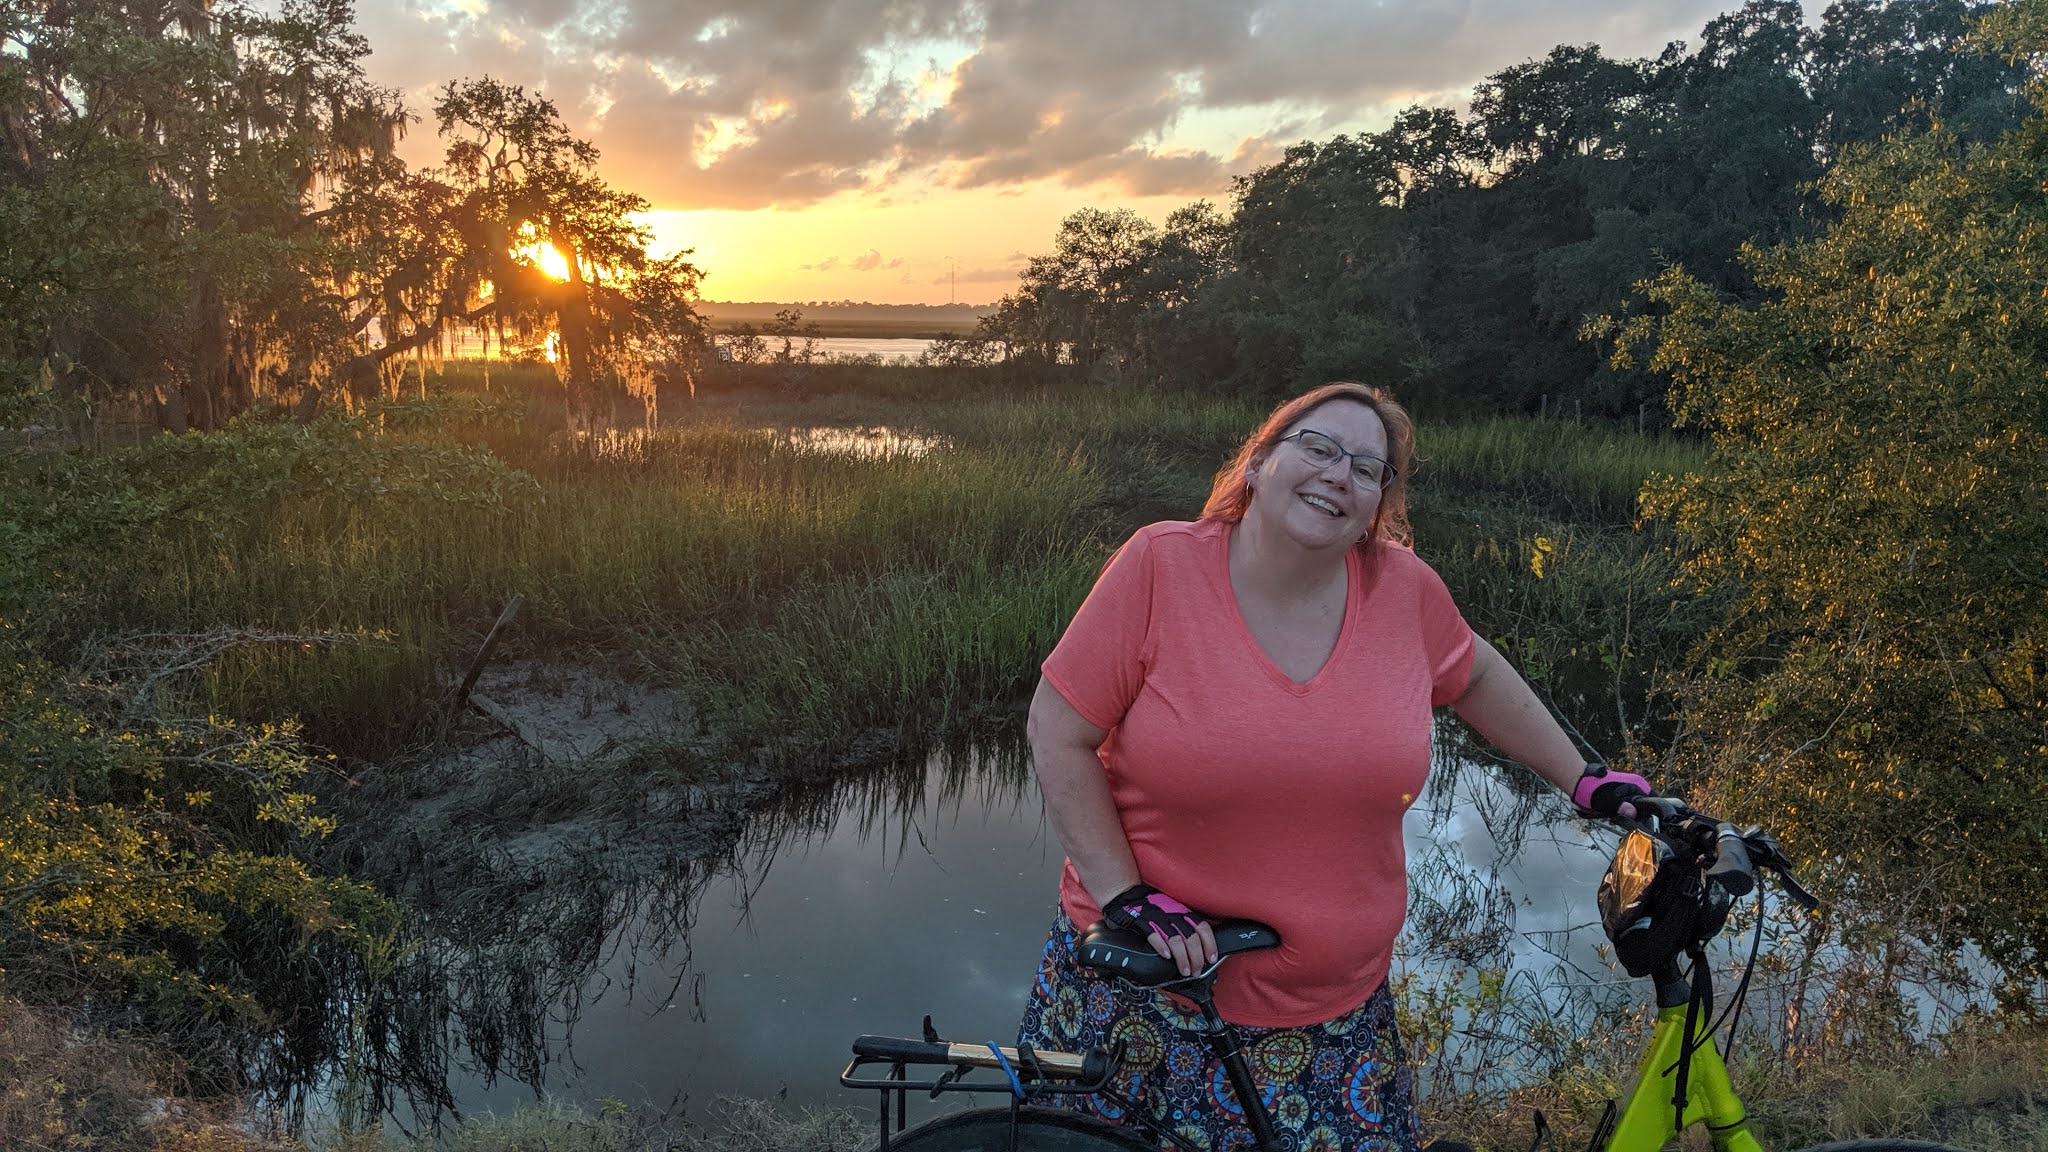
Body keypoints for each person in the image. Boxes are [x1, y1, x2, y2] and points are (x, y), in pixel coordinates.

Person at [1017, 382, 1650, 1152]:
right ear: (1258, 463)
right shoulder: (1159, 567)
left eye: (1366, 468)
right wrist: (1125, 895)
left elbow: (1474, 674)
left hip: (1337, 1018)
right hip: (1154, 1002)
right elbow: (1058, 729)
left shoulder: (1405, 590)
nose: (1337, 474)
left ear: (1376, 504)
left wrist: (1583, 780)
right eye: (1316, 447)